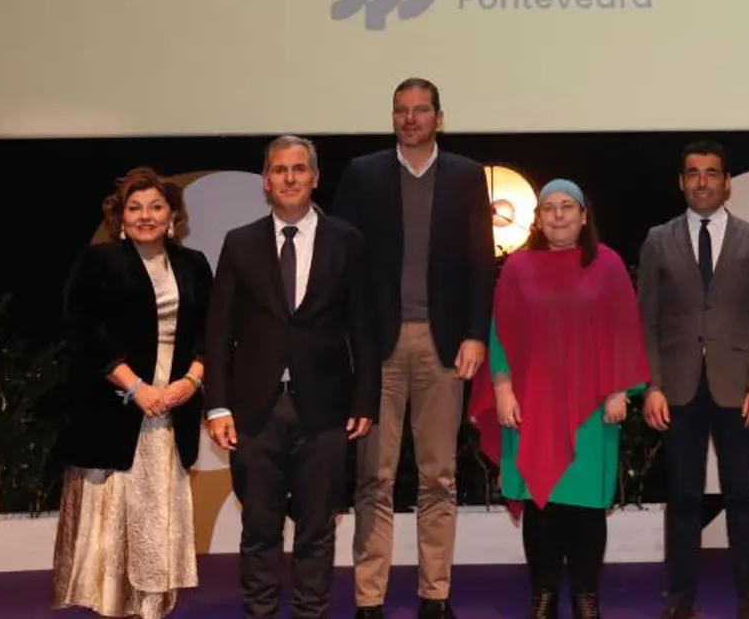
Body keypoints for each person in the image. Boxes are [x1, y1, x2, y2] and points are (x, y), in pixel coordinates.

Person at [333, 78, 498, 619]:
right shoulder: (363, 174)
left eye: (420, 110)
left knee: (439, 475)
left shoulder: (467, 176)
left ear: (438, 118)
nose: (410, 119)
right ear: (393, 117)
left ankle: (435, 593)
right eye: (401, 111)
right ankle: (369, 598)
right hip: (377, 345)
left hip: (443, 343)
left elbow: (480, 260)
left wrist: (476, 332)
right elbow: (343, 262)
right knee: (373, 477)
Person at [203, 136, 380, 619]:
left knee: (316, 529)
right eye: (279, 170)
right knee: (259, 528)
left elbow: (363, 328)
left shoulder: (348, 241)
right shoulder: (239, 243)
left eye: (299, 169)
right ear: (266, 180)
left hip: (325, 410)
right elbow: (217, 333)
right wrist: (216, 405)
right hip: (253, 411)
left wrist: (365, 401)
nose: (289, 178)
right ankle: (260, 613)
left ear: (315, 177)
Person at [52, 167, 212, 619]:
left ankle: (153, 607)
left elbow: (211, 332)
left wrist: (190, 381)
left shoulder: (193, 264)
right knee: (116, 516)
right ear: (120, 216)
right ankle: (112, 606)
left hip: (172, 409)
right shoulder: (99, 261)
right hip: (115, 413)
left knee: (157, 515)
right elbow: (86, 331)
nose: (146, 216)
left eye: (156, 207)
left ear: (173, 216)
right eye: (135, 207)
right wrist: (137, 388)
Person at [487, 179, 650, 619]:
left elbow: (624, 328)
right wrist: (502, 390)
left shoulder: (609, 264)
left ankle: (585, 597)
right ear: (538, 218)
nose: (558, 215)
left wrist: (620, 388)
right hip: (532, 405)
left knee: (585, 510)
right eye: (549, 208)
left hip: (594, 406)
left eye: (567, 206)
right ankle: (542, 597)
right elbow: (499, 332)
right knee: (542, 506)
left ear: (584, 215)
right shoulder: (518, 268)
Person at [638, 141, 749, 619]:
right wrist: (651, 386)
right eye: (693, 173)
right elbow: (647, 323)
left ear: (727, 182)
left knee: (742, 498)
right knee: (683, 498)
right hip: (676, 389)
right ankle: (680, 600)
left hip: (738, 389)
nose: (701, 181)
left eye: (711, 173)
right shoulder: (658, 239)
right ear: (681, 182)